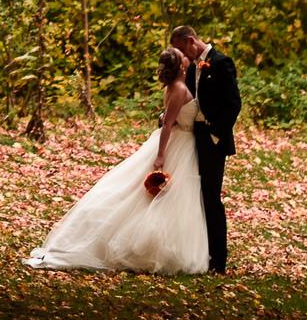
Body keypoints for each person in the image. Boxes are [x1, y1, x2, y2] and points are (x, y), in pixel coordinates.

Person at [23, 48, 210, 275]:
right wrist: (161, 155)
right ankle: (156, 248)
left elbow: (168, 116)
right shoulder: (179, 89)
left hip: (183, 142)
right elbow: (168, 124)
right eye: (183, 58)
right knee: (167, 197)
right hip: (177, 144)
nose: (187, 58)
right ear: (181, 67)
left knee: (170, 197)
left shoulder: (175, 87)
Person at [171, 24, 241, 273]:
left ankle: (218, 260)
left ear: (191, 41)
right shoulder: (190, 66)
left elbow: (233, 104)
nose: (182, 56)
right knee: (192, 194)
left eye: (182, 49)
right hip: (192, 137)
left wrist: (215, 134)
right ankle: (197, 253)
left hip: (213, 139)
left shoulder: (221, 63)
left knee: (211, 197)